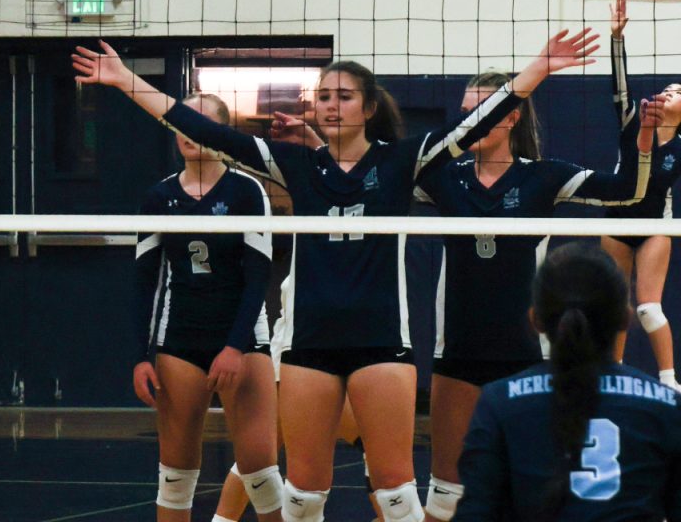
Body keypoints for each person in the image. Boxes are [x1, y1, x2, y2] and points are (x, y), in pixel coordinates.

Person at [74, 29, 600, 522]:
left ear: (369, 108)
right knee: (302, 498)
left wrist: (537, 69)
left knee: (396, 495)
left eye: (345, 95)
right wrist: (126, 81)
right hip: (308, 346)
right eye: (323, 95)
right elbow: (205, 130)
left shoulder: (401, 163)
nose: (331, 104)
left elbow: (471, 124)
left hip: (380, 345)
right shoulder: (296, 166)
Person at [412, 70, 662, 521]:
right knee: (446, 497)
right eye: (465, 110)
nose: (467, 119)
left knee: (537, 488)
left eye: (480, 110)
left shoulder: (544, 177)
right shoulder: (443, 178)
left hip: (529, 355)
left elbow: (628, 191)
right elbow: (373, 179)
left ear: (509, 117)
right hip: (458, 353)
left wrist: (643, 139)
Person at [454, 242, 681, 521]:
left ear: (536, 319)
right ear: (625, 318)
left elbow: (476, 513)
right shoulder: (672, 409)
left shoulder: (499, 404)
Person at [132, 92, 283, 522]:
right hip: (179, 340)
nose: (189, 132)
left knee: (262, 473)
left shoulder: (246, 191)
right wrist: (140, 357)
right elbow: (145, 285)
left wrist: (235, 346)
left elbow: (258, 277)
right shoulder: (158, 198)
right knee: (175, 478)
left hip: (242, 338)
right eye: (182, 123)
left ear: (219, 133)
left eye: (200, 123)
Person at [601, 0, 681, 392]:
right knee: (614, 308)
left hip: (654, 227)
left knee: (649, 308)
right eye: (667, 88)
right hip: (617, 222)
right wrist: (616, 39)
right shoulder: (632, 122)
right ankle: (613, 373)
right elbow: (619, 85)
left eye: (679, 91)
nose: (670, 92)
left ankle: (669, 382)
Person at [211, 277, 372, 522]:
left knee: (259, 455)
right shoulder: (313, 263)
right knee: (373, 444)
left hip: (334, 336)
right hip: (304, 343)